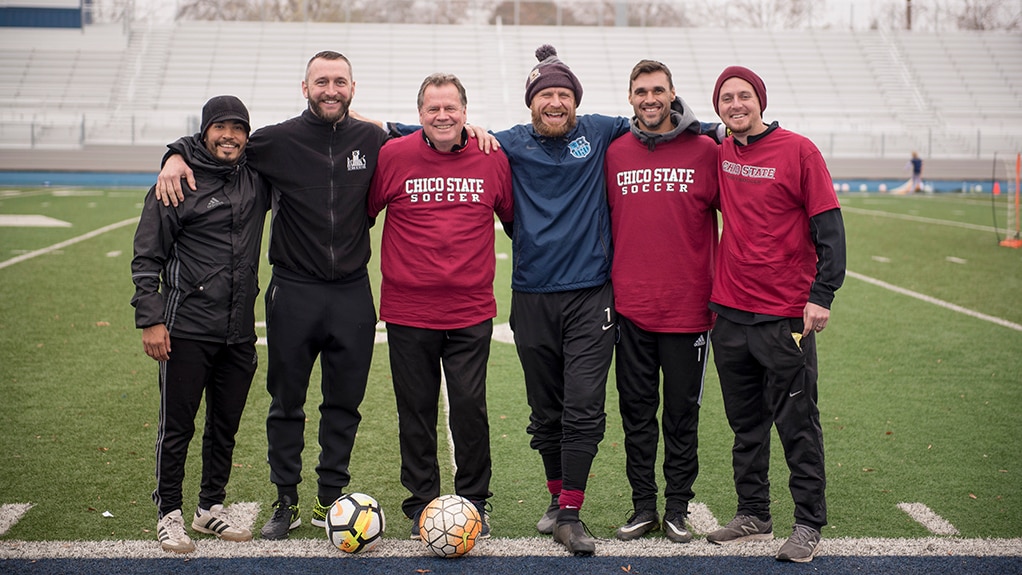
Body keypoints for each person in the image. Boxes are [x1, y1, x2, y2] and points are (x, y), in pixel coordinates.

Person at [156, 51, 388, 540]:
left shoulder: (372, 139)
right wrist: (173, 153)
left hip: (352, 293)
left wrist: (474, 130)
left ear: (353, 87)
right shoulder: (276, 140)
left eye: (339, 81)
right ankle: (287, 501)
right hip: (294, 291)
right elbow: (218, 142)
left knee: (344, 403)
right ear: (304, 88)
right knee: (287, 403)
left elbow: (426, 136)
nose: (331, 89)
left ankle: (330, 499)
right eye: (320, 81)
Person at [704, 66, 846, 564]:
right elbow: (681, 125)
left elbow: (830, 227)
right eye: (726, 98)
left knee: (798, 421)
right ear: (718, 108)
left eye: (744, 96)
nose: (736, 104)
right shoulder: (719, 149)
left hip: (784, 316)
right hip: (730, 314)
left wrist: (822, 294)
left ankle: (808, 522)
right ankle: (754, 512)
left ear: (760, 101)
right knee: (746, 424)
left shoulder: (799, 150)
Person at [366, 73, 513, 540]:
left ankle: (475, 502)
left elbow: (511, 217)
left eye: (451, 107)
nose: (442, 115)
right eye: (433, 108)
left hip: (471, 308)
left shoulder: (492, 157)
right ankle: (421, 504)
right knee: (416, 409)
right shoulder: (394, 155)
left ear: (465, 112)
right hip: (409, 310)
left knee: (470, 406)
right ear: (420, 114)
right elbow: (366, 211)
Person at [131, 95, 268, 553]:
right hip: (186, 326)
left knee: (224, 426)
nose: (228, 135)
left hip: (239, 329)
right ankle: (169, 511)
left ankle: (210, 508)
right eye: (220, 127)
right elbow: (146, 256)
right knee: (178, 426)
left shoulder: (255, 175)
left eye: (238, 128)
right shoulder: (177, 182)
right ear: (204, 131)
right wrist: (150, 319)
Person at [603, 60, 719, 544]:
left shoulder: (706, 151)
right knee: (636, 415)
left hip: (689, 311)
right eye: (640, 92)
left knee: (680, 416)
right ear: (630, 98)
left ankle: (676, 508)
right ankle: (643, 506)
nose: (649, 99)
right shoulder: (614, 153)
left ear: (673, 94)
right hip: (631, 311)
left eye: (658, 91)